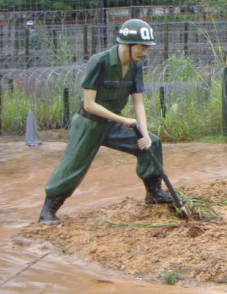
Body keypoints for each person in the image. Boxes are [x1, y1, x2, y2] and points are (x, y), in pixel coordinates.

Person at [38, 19, 173, 223]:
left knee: (152, 143)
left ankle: (153, 193)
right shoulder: (99, 61)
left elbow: (139, 103)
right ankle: (48, 211)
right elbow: (89, 104)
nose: (145, 52)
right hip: (88, 123)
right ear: (127, 44)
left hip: (112, 125)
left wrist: (143, 134)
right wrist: (122, 119)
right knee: (73, 165)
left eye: (148, 48)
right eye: (142, 47)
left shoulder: (136, 66)